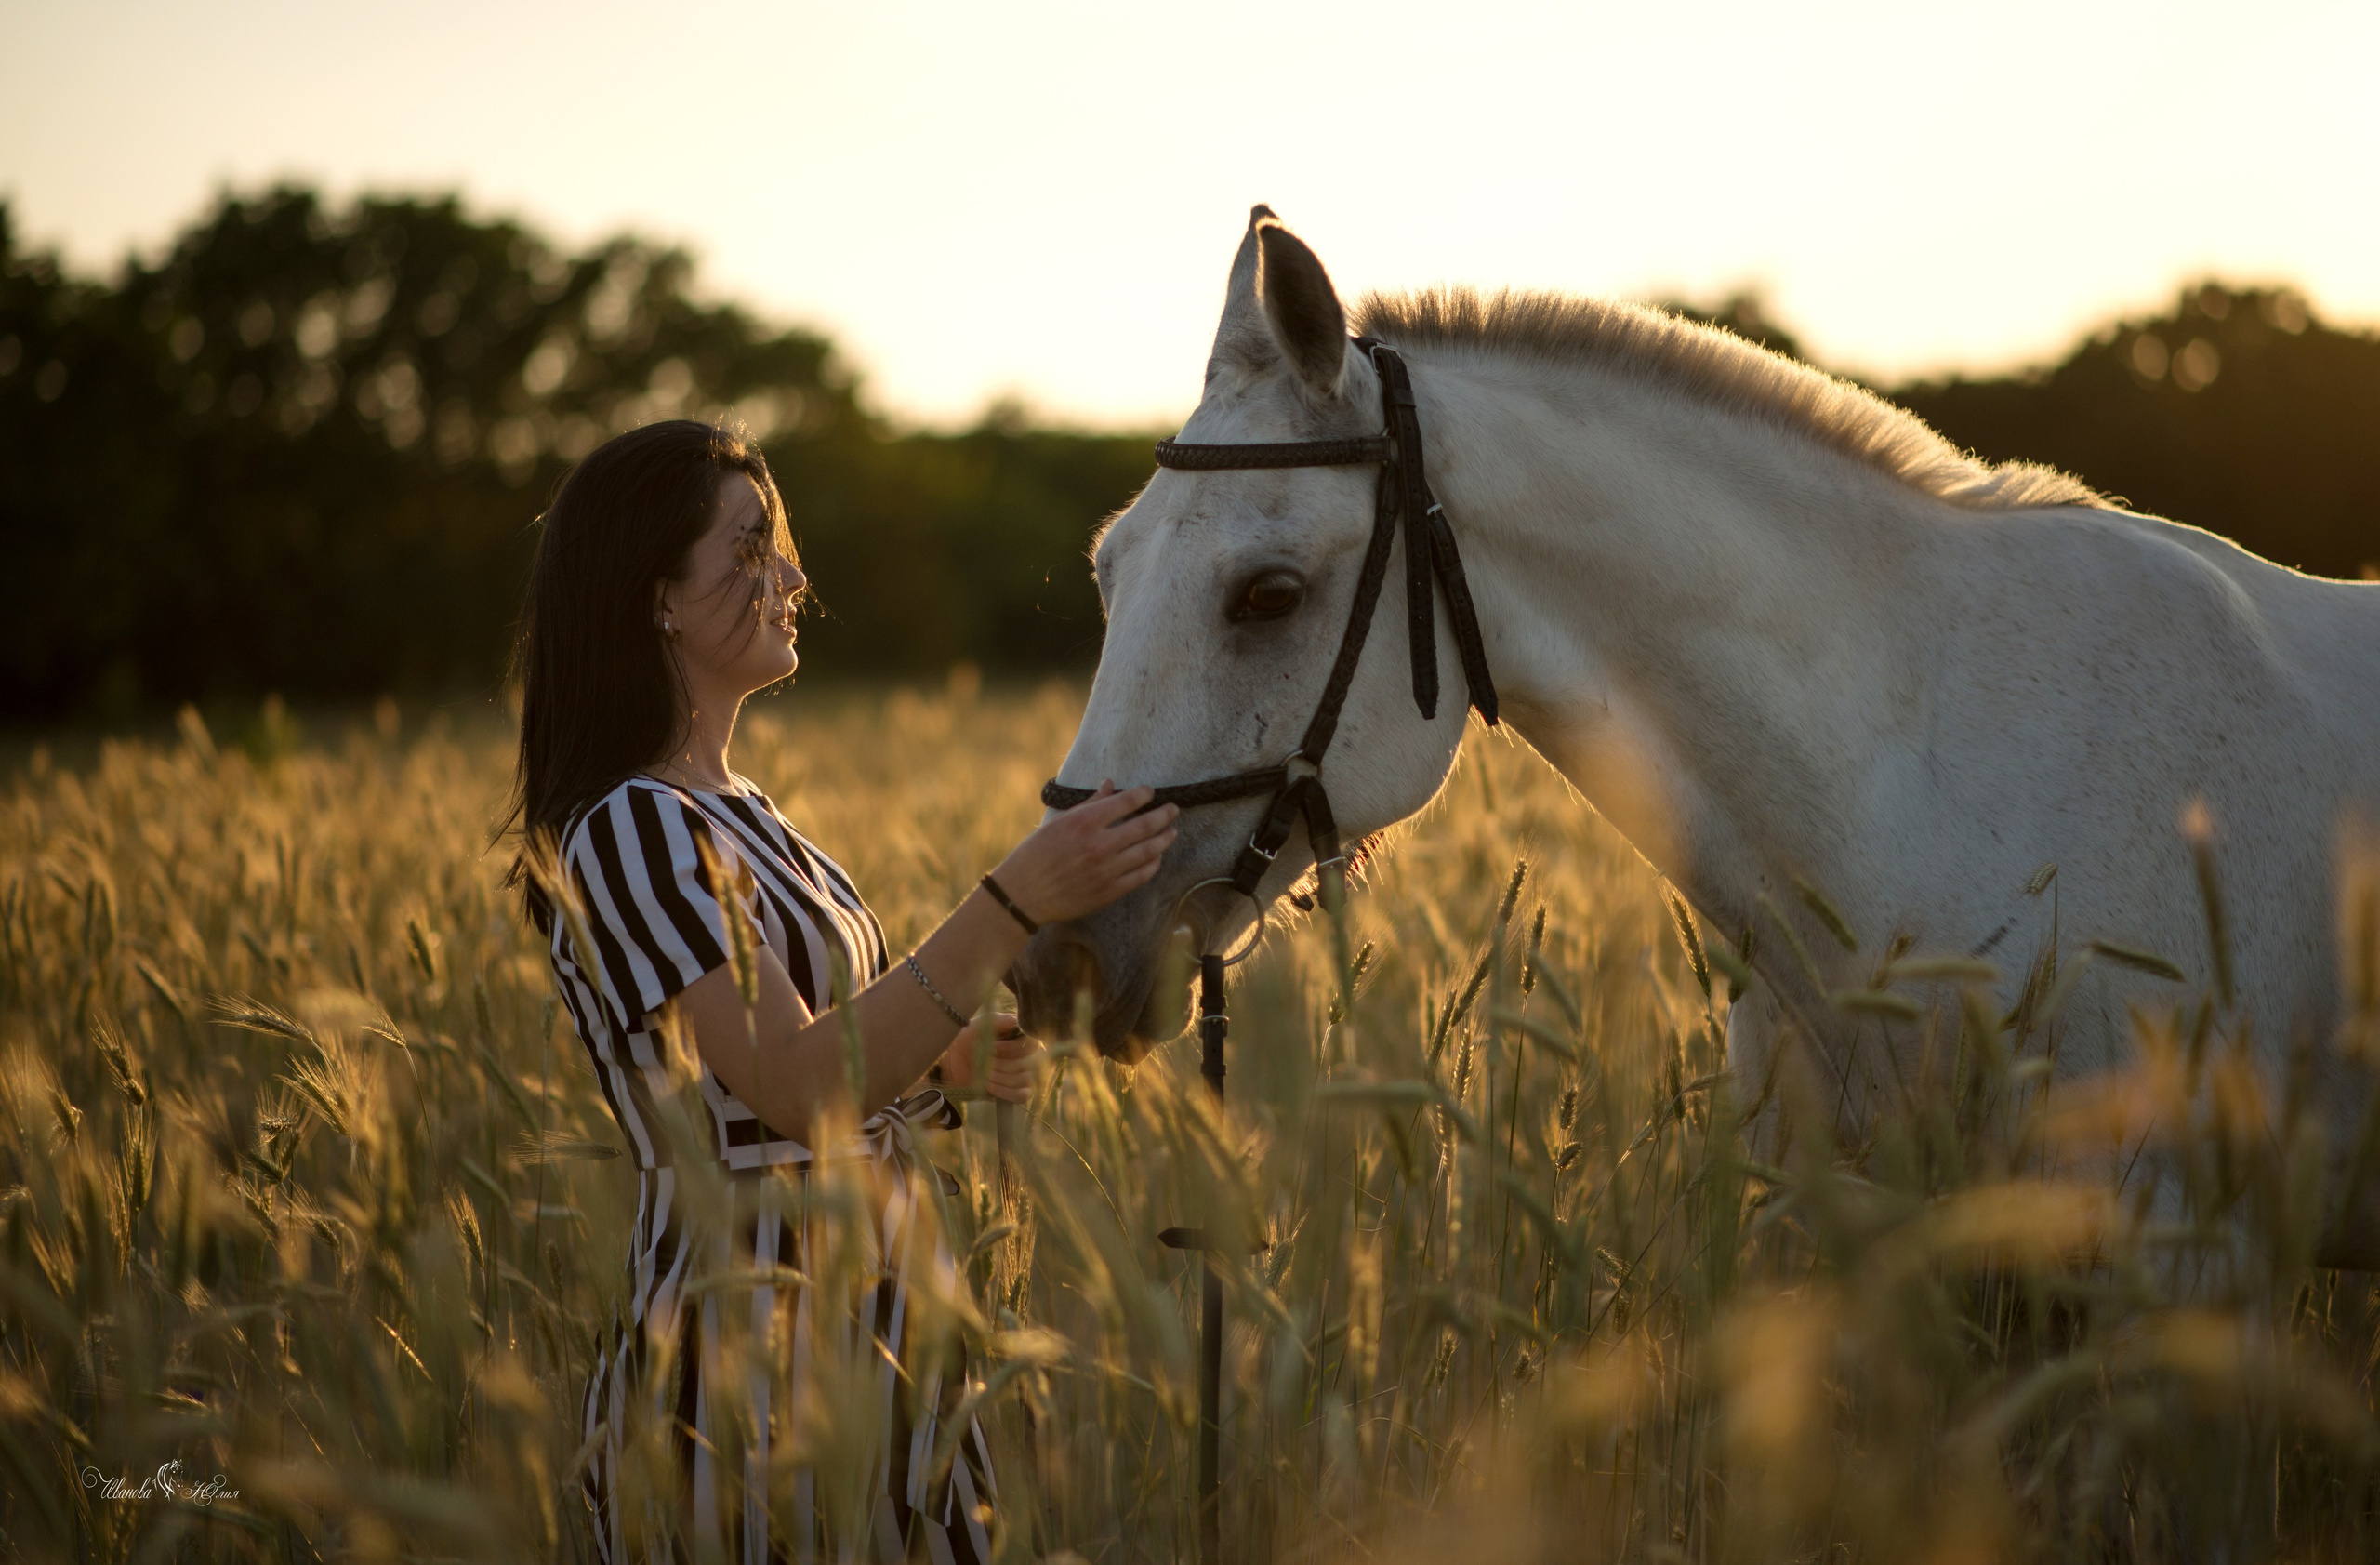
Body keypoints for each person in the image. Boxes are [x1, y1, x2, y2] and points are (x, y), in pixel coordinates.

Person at [499, 419, 1177, 1563]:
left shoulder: (743, 811)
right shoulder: (627, 826)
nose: (794, 577)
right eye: (751, 549)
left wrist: (935, 1068)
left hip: (883, 1329)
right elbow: (792, 1088)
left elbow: (811, 1070)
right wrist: (1007, 901)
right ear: (653, 594)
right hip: (749, 1358)